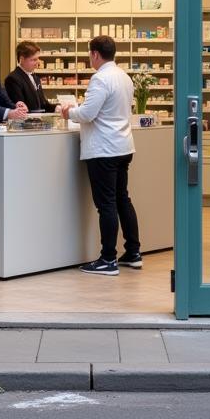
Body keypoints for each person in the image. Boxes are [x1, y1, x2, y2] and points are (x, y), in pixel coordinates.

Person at [60, 35, 141, 276]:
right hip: (123, 146)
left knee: (106, 204)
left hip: (104, 150)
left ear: (95, 54)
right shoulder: (124, 76)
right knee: (122, 200)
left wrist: (68, 111)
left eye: (89, 54)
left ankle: (108, 259)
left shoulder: (100, 79)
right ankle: (133, 252)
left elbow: (87, 113)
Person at [4, 40, 54, 113]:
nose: (38, 63)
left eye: (38, 58)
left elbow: (43, 104)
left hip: (37, 121)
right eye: (34, 59)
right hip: (25, 122)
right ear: (21, 59)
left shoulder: (35, 78)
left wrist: (57, 107)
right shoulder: (13, 79)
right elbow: (21, 108)